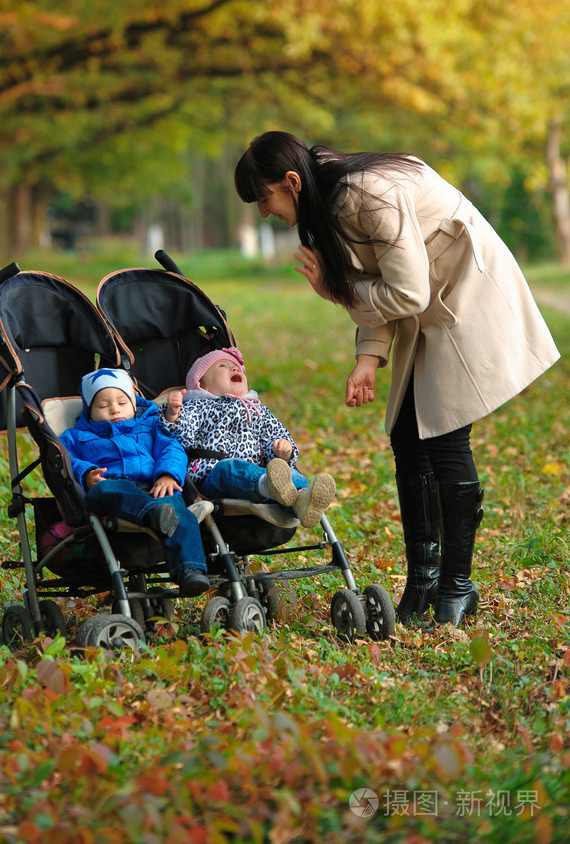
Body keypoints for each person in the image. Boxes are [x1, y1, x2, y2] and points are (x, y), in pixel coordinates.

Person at [234, 130, 560, 627]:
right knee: (407, 439)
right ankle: (424, 581)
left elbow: (404, 293)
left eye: (264, 198)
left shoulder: (366, 194)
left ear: (292, 181)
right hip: (431, 302)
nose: (263, 212)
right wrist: (369, 357)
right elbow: (376, 277)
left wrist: (337, 292)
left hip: (464, 296)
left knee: (445, 438)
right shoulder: (326, 199)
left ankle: (455, 586)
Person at [59, 368, 210, 597]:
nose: (114, 409)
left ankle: (190, 571)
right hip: (115, 487)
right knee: (103, 490)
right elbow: (65, 459)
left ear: (133, 402)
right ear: (89, 411)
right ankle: (154, 513)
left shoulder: (150, 424)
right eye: (103, 406)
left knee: (180, 511)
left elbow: (172, 448)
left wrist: (167, 475)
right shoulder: (77, 436)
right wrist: (86, 472)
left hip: (155, 486)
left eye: (122, 402)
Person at [160, 347, 336, 528]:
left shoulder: (259, 410)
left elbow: (275, 436)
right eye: (223, 366)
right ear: (202, 384)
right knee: (230, 468)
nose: (234, 369)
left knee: (294, 475)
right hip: (212, 475)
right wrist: (173, 414)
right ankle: (269, 485)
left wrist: (283, 450)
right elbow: (181, 437)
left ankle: (302, 501)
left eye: (236, 367)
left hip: (258, 472)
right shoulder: (198, 406)